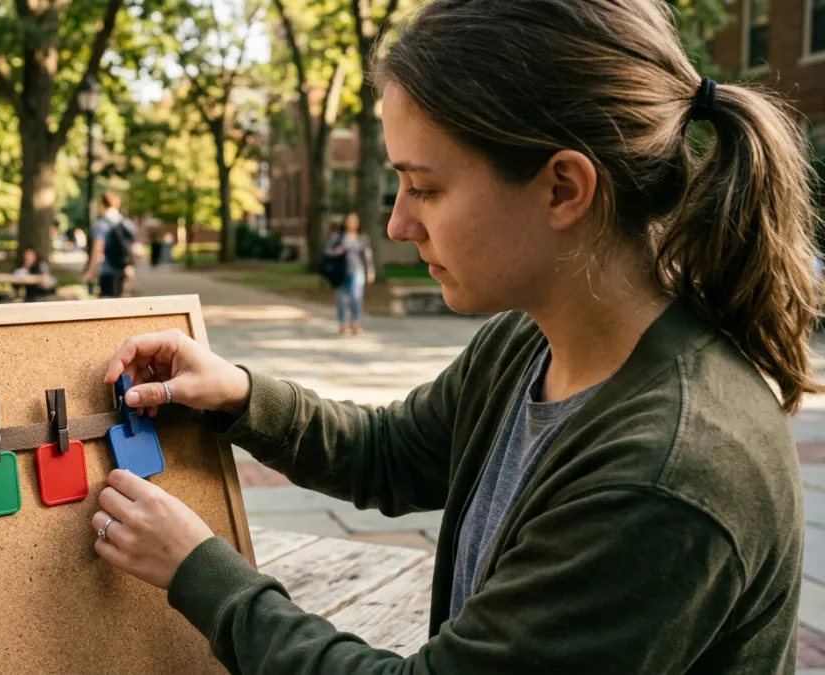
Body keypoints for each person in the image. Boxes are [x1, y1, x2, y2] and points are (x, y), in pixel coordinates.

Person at [85, 1, 820, 672]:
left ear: (564, 188)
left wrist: (201, 571)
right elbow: (392, 454)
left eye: (426, 187)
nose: (399, 224)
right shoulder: (529, 342)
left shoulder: (668, 469)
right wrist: (240, 394)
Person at [324, 212, 376, 335]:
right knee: (341, 299)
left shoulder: (362, 237)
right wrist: (335, 252)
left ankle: (355, 323)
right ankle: (342, 323)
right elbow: (327, 251)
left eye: (354, 221)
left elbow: (367, 255)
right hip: (341, 272)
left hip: (357, 271)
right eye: (349, 220)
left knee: (356, 297)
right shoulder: (338, 237)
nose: (351, 223)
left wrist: (370, 270)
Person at [83, 191, 136, 298]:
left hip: (108, 269)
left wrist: (90, 271)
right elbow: (131, 247)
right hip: (122, 268)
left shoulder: (101, 224)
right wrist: (130, 265)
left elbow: (98, 249)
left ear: (102, 205)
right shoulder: (127, 223)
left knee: (106, 303)